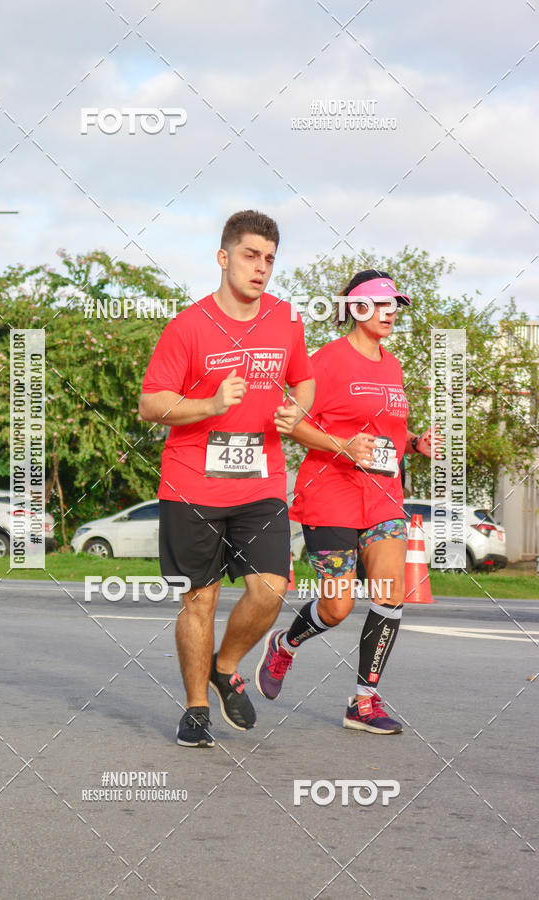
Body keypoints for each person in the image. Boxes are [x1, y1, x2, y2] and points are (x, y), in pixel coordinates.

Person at [139, 210, 315, 747]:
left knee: (271, 590)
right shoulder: (188, 326)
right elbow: (151, 404)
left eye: (269, 259)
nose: (260, 268)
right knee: (201, 600)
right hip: (192, 483)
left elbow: (303, 382)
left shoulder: (286, 319)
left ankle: (226, 664)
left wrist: (294, 412)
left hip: (261, 482)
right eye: (250, 255)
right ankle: (196, 708)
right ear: (223, 257)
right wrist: (210, 403)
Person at [255, 269, 437, 734]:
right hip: (330, 495)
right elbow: (289, 423)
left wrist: (416, 443)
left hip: (382, 497)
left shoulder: (392, 366)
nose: (391, 312)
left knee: (390, 591)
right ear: (355, 308)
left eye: (395, 304)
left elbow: (389, 434)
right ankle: (286, 645)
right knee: (336, 608)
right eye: (380, 304)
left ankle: (364, 701)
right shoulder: (325, 362)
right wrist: (342, 446)